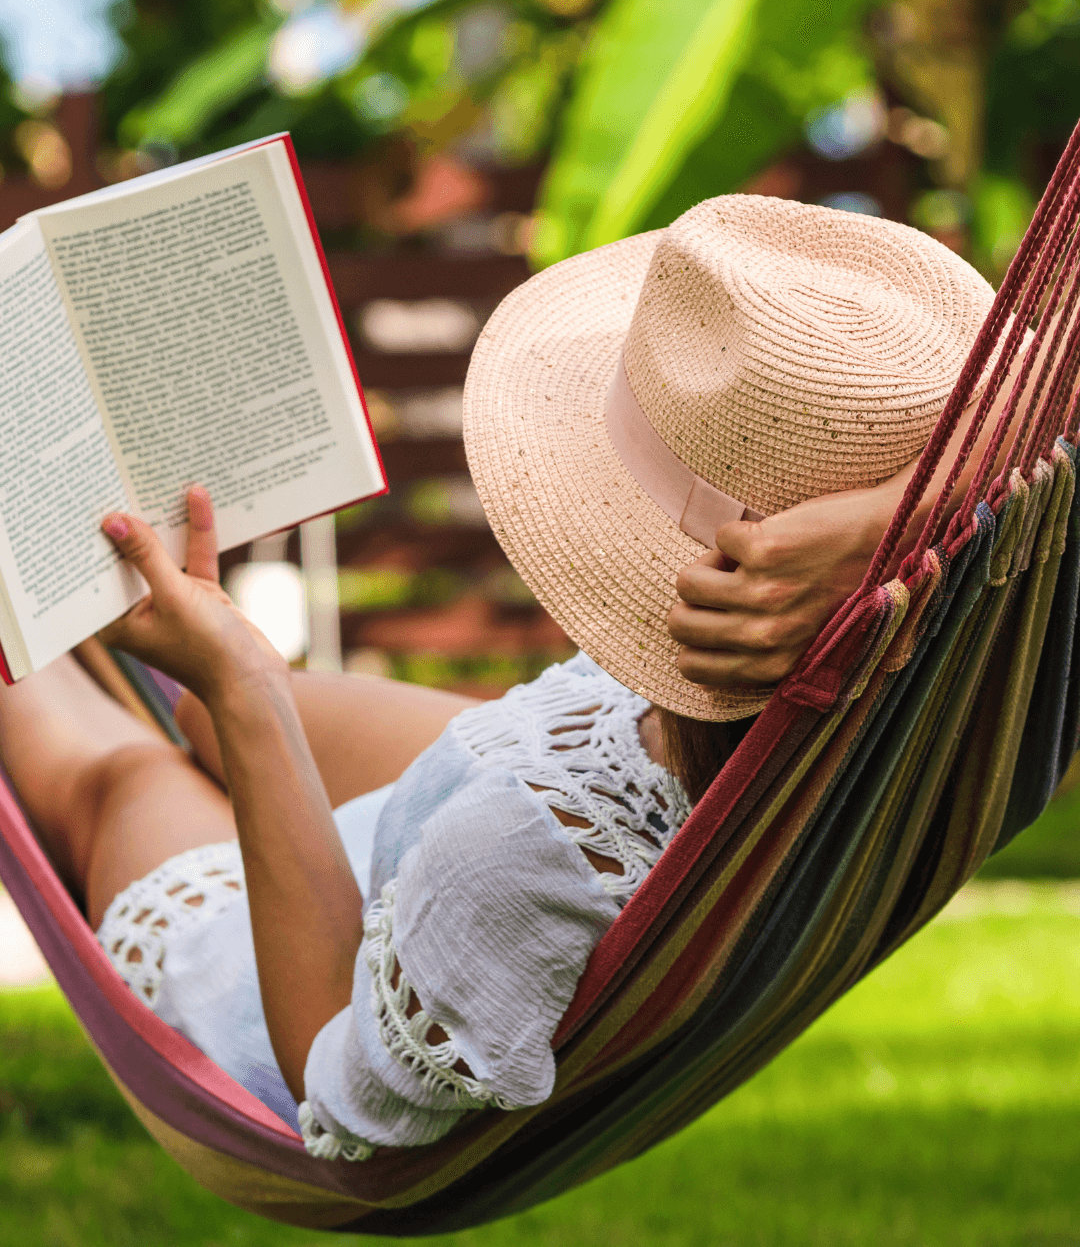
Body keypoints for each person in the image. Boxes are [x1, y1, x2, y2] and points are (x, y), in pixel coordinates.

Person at [0, 195, 1024, 1161]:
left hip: (290, 991)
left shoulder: (517, 865)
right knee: (205, 716)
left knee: (130, 773)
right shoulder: (949, 677)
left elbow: (329, 1072)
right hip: (549, 777)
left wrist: (241, 684)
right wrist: (881, 530)